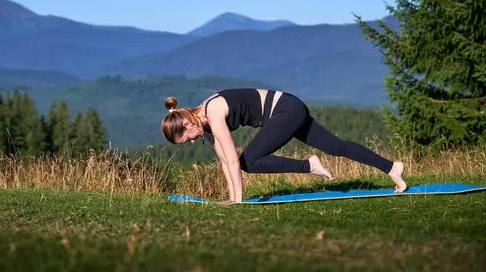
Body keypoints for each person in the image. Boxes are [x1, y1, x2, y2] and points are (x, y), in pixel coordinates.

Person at [160, 88, 406, 204]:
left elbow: (234, 160)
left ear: (186, 122)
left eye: (188, 138)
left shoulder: (212, 111)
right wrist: (232, 198)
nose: (193, 141)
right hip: (289, 108)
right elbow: (224, 160)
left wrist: (238, 202)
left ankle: (309, 165)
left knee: (248, 161)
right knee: (336, 146)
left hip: (285, 110)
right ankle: (392, 168)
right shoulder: (204, 124)